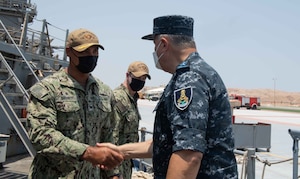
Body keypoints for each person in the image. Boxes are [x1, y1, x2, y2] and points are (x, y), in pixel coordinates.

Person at [99, 15, 238, 178]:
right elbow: (165, 143)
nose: (154, 52)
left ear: (163, 44)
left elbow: (188, 154)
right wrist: (119, 151)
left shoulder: (189, 80)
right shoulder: (192, 74)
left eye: (154, 45)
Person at [26, 28, 123, 179]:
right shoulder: (47, 89)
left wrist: (113, 174)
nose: (90, 57)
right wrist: (87, 152)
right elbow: (40, 135)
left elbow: (108, 136)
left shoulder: (104, 92)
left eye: (95, 51)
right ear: (69, 52)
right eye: (84, 52)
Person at [112, 61, 151, 179]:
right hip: (116, 161)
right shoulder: (118, 98)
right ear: (128, 75)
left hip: (127, 161)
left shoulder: (132, 99)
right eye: (138, 77)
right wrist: (114, 172)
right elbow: (112, 135)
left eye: (144, 78)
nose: (141, 81)